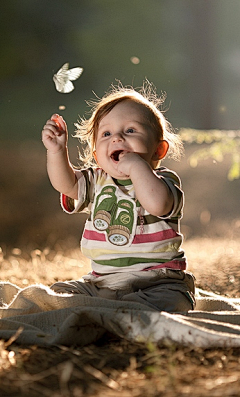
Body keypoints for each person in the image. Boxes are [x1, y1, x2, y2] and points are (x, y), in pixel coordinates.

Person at [41, 81, 195, 312]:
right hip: (102, 281)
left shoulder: (164, 181)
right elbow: (66, 185)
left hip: (158, 281)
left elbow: (157, 204)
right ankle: (110, 309)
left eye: (130, 130)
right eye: (106, 133)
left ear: (158, 150)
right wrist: (57, 152)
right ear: (96, 155)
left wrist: (135, 166)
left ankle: (121, 312)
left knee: (172, 303)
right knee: (58, 294)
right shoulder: (96, 180)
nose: (117, 138)